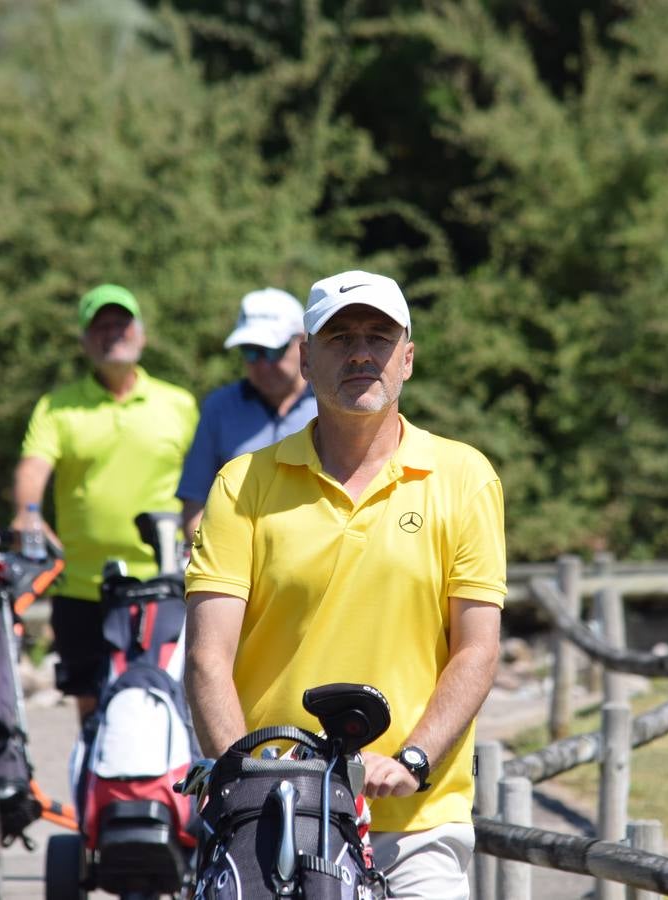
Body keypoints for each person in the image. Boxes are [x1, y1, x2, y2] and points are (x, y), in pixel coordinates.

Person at [184, 270, 506, 900]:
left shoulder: (465, 477)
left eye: (379, 337)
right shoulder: (241, 484)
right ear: (305, 358)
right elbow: (206, 657)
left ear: (407, 357)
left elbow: (477, 649)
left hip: (414, 821)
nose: (361, 353)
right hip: (274, 812)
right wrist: (243, 782)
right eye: (339, 338)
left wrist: (412, 761)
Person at [13, 283, 197, 723]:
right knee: (93, 712)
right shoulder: (57, 407)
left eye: (122, 323)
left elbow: (207, 482)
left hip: (164, 584)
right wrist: (27, 514)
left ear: (142, 335)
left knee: (167, 705)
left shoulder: (179, 404)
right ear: (84, 341)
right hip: (82, 587)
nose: (113, 333)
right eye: (101, 326)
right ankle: (96, 792)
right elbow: (33, 470)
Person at [176, 287, 317, 539]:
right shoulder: (219, 408)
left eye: (273, 350)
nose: (262, 364)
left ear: (303, 344)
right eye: (250, 351)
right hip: (235, 566)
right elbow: (194, 508)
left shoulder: (333, 404)